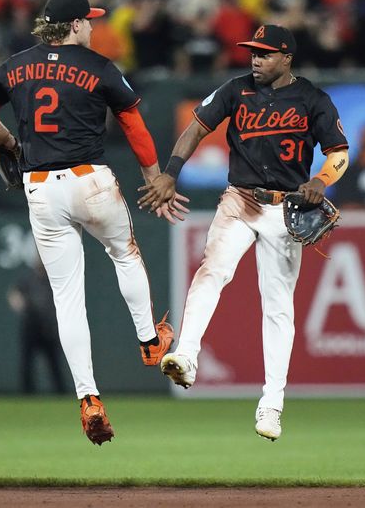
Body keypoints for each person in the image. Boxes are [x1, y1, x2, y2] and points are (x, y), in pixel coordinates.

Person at [0, 0, 187, 445]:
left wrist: (9, 141)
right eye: (88, 21)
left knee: (67, 298)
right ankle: (150, 341)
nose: (92, 26)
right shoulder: (100, 67)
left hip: (41, 189)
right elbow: (133, 125)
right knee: (124, 254)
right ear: (72, 26)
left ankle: (88, 397)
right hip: (91, 181)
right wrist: (154, 177)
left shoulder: (16, 65)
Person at [139, 24, 350, 441]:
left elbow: (339, 153)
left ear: (287, 57)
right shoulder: (236, 90)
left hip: (287, 207)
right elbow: (197, 127)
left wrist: (322, 181)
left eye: (265, 53)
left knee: (277, 307)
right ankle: (186, 355)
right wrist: (170, 173)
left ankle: (272, 404)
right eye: (253, 52)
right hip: (240, 199)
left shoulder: (312, 99)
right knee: (212, 270)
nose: (255, 59)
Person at [7, 262, 67, 394]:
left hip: (48, 327)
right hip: (31, 326)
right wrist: (18, 303)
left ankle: (61, 393)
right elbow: (14, 294)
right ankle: (27, 393)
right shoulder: (27, 279)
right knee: (27, 363)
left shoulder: (53, 280)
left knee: (54, 363)